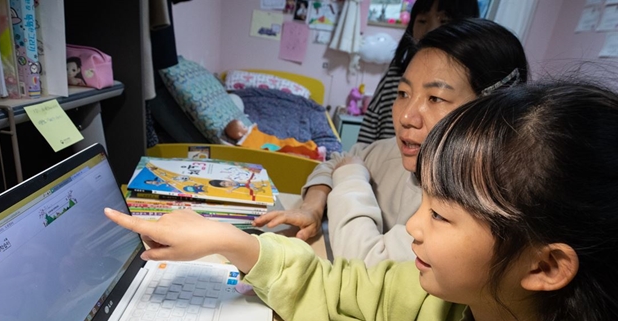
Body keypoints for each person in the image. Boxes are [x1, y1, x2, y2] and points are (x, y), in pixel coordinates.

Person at [104, 80, 618, 321]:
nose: (414, 227)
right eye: (424, 201)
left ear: (545, 267)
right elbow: (338, 286)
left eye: (440, 214)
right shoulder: (437, 293)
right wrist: (230, 240)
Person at [253, 18, 529, 266]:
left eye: (435, 98)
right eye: (403, 93)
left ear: (492, 111)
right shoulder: (392, 153)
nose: (406, 116)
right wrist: (312, 207)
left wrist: (351, 177)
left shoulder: (475, 206)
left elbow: (370, 270)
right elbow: (338, 160)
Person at [358, 0, 480, 144]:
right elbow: (370, 125)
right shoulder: (396, 72)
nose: (431, 29)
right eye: (422, 21)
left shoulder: (471, 81)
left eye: (444, 20)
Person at [224, 119, 326, 161]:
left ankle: (313, 152)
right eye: (243, 126)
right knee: (288, 148)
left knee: (290, 142)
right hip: (274, 148)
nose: (246, 127)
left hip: (275, 142)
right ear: (239, 133)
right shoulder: (244, 143)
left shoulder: (252, 132)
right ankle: (312, 155)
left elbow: (264, 137)